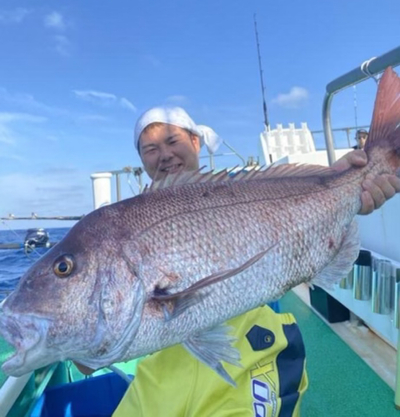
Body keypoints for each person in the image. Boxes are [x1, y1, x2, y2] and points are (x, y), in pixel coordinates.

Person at [111, 106, 400, 417]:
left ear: (196, 142)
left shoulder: (242, 187)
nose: (164, 155)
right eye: (150, 149)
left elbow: (294, 210)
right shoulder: (126, 220)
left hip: (253, 343)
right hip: (163, 368)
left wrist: (344, 184)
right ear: (141, 159)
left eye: (172, 141)